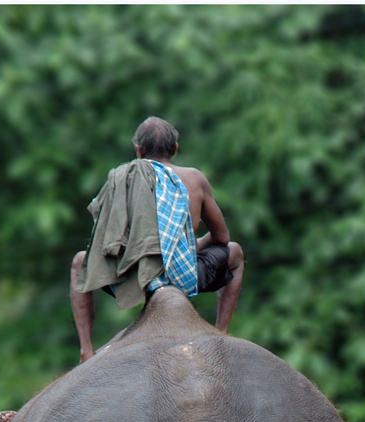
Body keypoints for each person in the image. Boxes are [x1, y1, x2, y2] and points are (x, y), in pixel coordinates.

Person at [70, 117, 244, 362]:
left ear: (138, 151)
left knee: (80, 262)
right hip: (184, 276)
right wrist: (189, 246)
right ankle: (222, 331)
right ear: (175, 148)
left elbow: (108, 240)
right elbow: (222, 237)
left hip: (133, 276)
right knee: (235, 253)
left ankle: (86, 349)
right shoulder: (194, 179)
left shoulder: (122, 178)